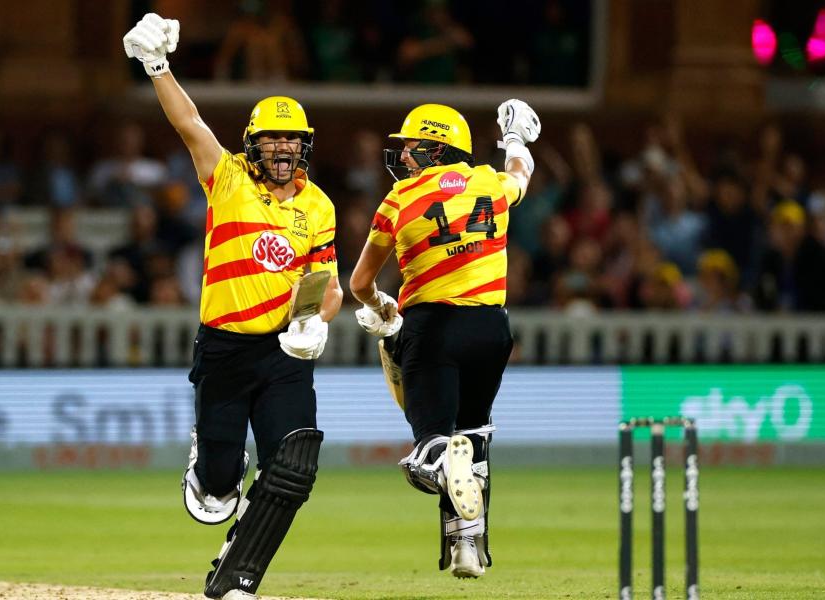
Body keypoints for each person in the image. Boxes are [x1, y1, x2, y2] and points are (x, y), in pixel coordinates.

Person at [123, 14, 343, 600]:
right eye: (272, 138)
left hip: (282, 354)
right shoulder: (226, 177)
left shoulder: (319, 207)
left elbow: (326, 280)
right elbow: (190, 122)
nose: (282, 148)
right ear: (253, 142)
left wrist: (314, 321)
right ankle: (210, 462)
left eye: (291, 139)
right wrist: (157, 66)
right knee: (217, 491)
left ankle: (237, 578)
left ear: (304, 146)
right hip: (223, 347)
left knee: (295, 464)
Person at [349, 100, 540, 579]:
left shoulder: (400, 199)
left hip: (433, 328)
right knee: (474, 436)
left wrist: (379, 306)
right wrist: (514, 138)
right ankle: (467, 550)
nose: (406, 156)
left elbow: (358, 282)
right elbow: (520, 172)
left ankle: (436, 457)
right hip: (493, 330)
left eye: (413, 147)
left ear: (437, 148)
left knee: (432, 444)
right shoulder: (489, 183)